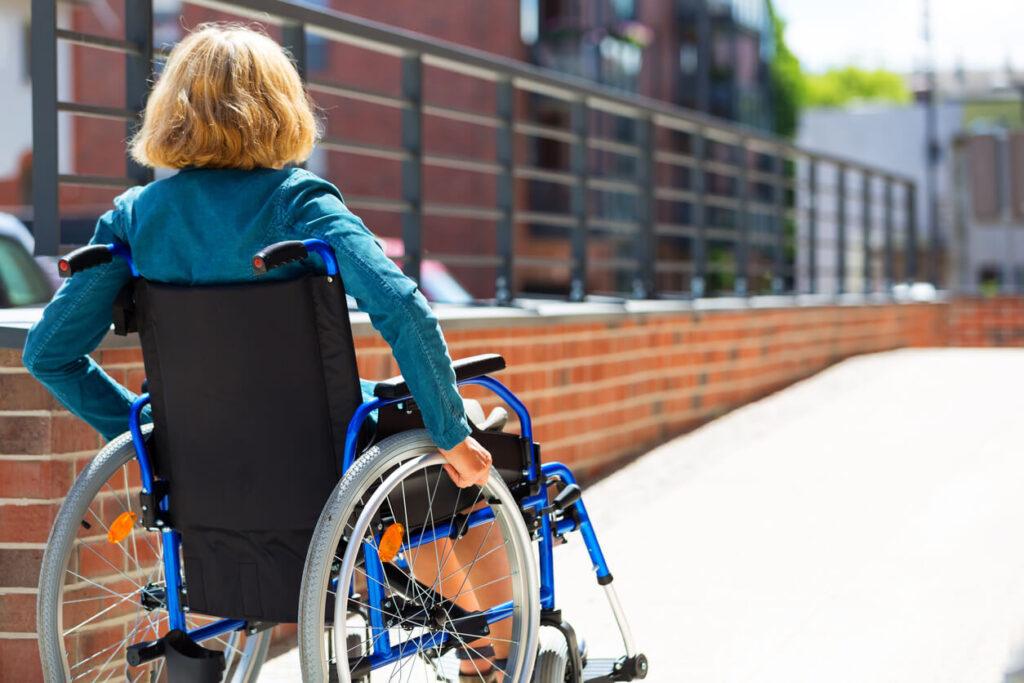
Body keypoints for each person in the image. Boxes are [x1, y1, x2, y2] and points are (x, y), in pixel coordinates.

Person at [23, 23, 507, 681]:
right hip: (325, 463)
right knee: (462, 454)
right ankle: (496, 659)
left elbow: (49, 353)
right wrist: (451, 430)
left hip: (205, 470)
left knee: (416, 448)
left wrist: (152, 444)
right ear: (281, 108)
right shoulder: (300, 202)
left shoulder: (136, 217)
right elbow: (402, 307)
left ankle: (483, 649)